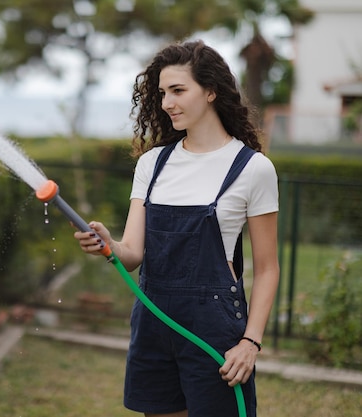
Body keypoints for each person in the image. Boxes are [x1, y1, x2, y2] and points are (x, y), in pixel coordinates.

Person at [74, 40, 279, 417]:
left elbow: (268, 268)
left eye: (178, 91)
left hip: (213, 329)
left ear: (212, 91)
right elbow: (133, 253)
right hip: (154, 322)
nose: (167, 102)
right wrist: (108, 244)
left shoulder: (252, 169)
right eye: (163, 92)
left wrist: (250, 342)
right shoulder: (152, 164)